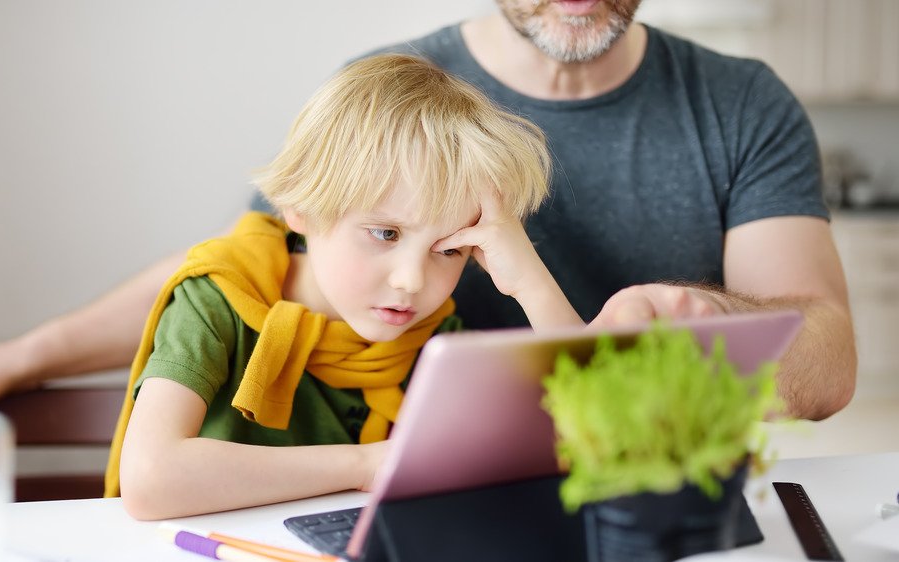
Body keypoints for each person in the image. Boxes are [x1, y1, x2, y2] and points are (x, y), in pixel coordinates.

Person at [0, 0, 855, 421]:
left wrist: (706, 324)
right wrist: (13, 358)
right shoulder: (388, 90)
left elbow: (824, 369)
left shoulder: (739, 101)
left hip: (654, 491)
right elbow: (243, 272)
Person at [110, 53, 580, 519]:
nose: (412, 280)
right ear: (303, 208)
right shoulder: (217, 300)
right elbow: (152, 477)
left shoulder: (437, 339)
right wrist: (365, 464)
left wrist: (531, 284)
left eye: (449, 249)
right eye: (385, 233)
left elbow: (597, 436)